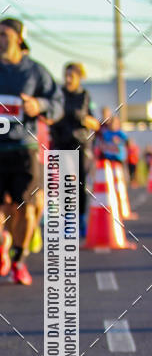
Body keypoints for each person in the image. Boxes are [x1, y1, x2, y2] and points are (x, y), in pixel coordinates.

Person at [0, 18, 63, 285]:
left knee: (26, 207)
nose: (0, 39)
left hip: (23, 146)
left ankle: (19, 260)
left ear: (19, 37)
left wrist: (38, 105)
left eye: (6, 34)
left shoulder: (35, 71)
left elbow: (57, 103)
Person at [50, 62, 99, 238]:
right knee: (65, 183)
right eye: (66, 75)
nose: (68, 79)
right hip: (61, 143)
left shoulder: (85, 96)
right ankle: (69, 220)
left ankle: (81, 218)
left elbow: (96, 123)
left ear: (79, 77)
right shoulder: (58, 95)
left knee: (80, 184)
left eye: (72, 76)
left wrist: (83, 118)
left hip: (80, 144)